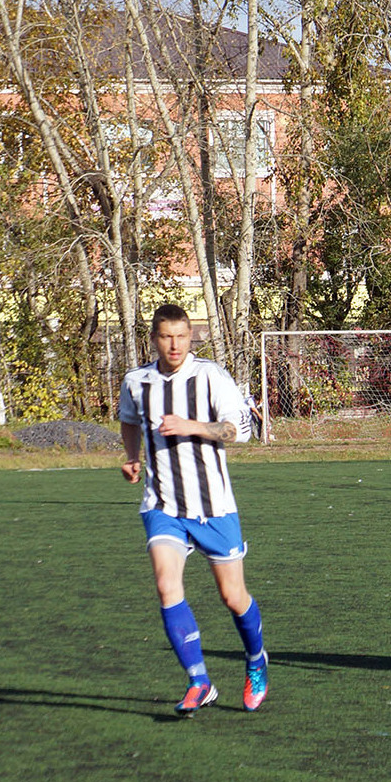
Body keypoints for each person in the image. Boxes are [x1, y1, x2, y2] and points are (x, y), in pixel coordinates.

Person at [117, 304, 269, 715]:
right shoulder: (137, 382)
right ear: (154, 339)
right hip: (162, 504)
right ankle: (199, 681)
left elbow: (240, 430)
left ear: (191, 337)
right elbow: (130, 420)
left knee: (232, 596)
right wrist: (132, 456)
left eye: (182, 336)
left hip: (213, 506)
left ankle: (256, 660)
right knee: (167, 587)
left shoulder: (211, 377)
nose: (174, 344)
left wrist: (192, 426)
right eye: (166, 337)